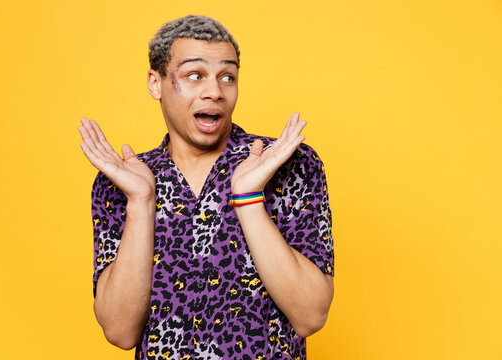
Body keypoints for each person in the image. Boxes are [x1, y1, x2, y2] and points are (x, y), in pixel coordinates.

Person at [78, 15, 335, 360]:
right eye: (194, 76)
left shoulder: (288, 164)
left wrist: (247, 198)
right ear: (156, 83)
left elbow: (310, 315)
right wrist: (141, 201)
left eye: (227, 77)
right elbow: (120, 332)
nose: (214, 91)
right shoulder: (125, 182)